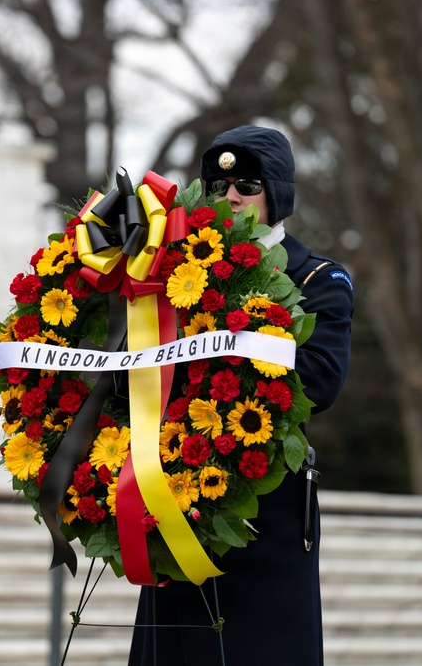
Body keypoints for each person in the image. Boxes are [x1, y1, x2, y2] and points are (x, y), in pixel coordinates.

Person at [126, 125, 354, 666]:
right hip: (177, 497)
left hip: (265, 515)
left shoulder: (319, 278)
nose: (231, 196)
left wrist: (227, 341)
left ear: (277, 194)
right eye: (218, 184)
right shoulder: (178, 273)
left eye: (248, 184)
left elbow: (319, 381)